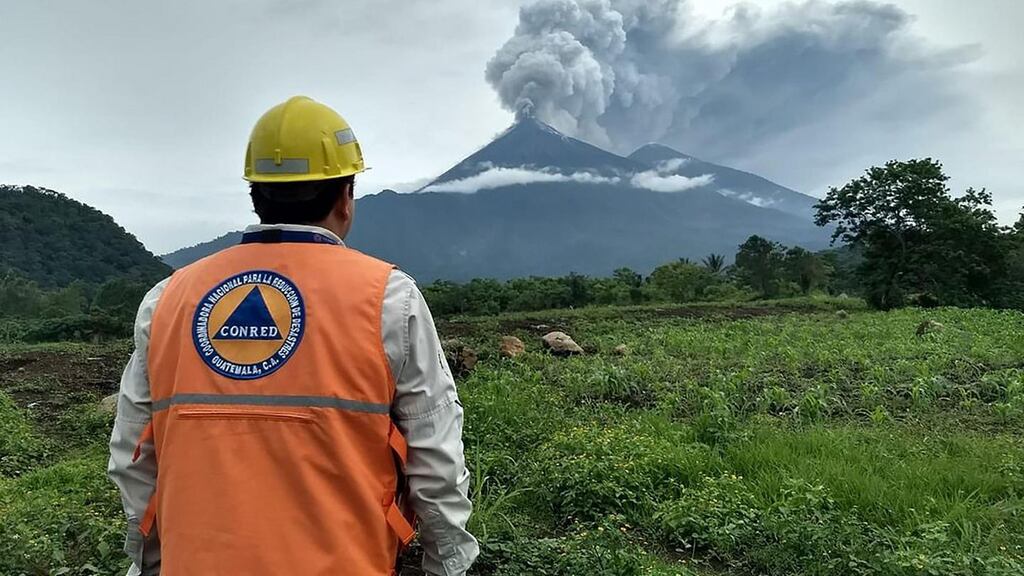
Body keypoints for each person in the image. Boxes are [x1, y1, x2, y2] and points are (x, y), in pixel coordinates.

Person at [107, 95, 478, 576]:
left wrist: (154, 561)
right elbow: (435, 450)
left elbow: (133, 454)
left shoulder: (169, 298)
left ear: (256, 196)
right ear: (346, 197)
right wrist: (446, 562)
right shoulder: (387, 298)